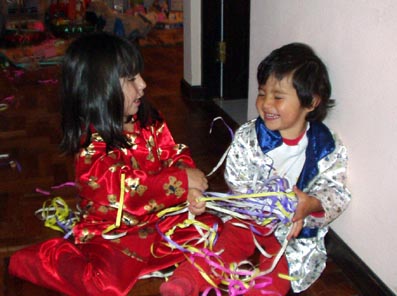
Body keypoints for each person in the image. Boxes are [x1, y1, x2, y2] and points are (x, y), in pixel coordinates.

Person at [8, 32, 222, 296]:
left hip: (159, 217)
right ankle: (43, 258)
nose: (143, 84)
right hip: (114, 232)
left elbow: (172, 152)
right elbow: (125, 190)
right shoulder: (91, 145)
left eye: (139, 75)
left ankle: (157, 266)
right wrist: (181, 182)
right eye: (131, 79)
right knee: (104, 285)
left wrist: (189, 187)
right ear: (99, 89)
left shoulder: (149, 118)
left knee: (212, 228)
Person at [160, 42, 351, 295]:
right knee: (224, 246)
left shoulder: (326, 146)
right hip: (248, 218)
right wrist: (258, 205)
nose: (265, 103)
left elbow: (336, 191)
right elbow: (236, 177)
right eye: (262, 93)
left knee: (279, 269)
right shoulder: (251, 136)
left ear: (312, 102)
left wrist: (309, 204)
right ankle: (186, 280)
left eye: (278, 97)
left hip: (290, 232)